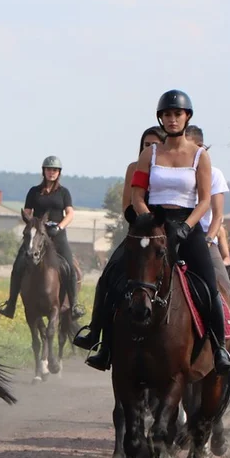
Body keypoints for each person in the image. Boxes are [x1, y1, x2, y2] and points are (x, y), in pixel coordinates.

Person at [80, 90, 230, 375]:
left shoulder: (200, 156)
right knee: (111, 275)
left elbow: (204, 201)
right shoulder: (149, 154)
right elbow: (138, 195)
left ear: (187, 116)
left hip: (186, 226)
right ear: (160, 118)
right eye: (167, 114)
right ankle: (98, 339)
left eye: (177, 114)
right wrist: (149, 222)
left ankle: (219, 348)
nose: (172, 119)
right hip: (151, 223)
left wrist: (186, 228)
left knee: (210, 286)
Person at [73, 125, 166, 369]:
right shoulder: (133, 169)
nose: (150, 149)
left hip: (169, 233)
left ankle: (217, 342)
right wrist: (145, 219)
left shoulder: (173, 170)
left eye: (156, 145)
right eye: (146, 145)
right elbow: (128, 205)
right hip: (140, 233)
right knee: (108, 276)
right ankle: (98, 338)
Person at [0, 156, 83, 320]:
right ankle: (11, 304)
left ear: (59, 173)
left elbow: (70, 213)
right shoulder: (34, 191)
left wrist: (59, 227)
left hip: (57, 235)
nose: (52, 173)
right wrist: (30, 221)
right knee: (18, 265)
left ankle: (74, 306)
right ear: (44, 171)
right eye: (49, 169)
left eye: (55, 170)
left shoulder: (64, 192)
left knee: (70, 267)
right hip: (36, 236)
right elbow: (28, 211)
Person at [185, 125, 230, 266]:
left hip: (205, 237)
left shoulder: (215, 174)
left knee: (222, 281)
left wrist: (208, 240)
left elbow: (218, 216)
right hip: (178, 235)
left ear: (199, 147)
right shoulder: (177, 173)